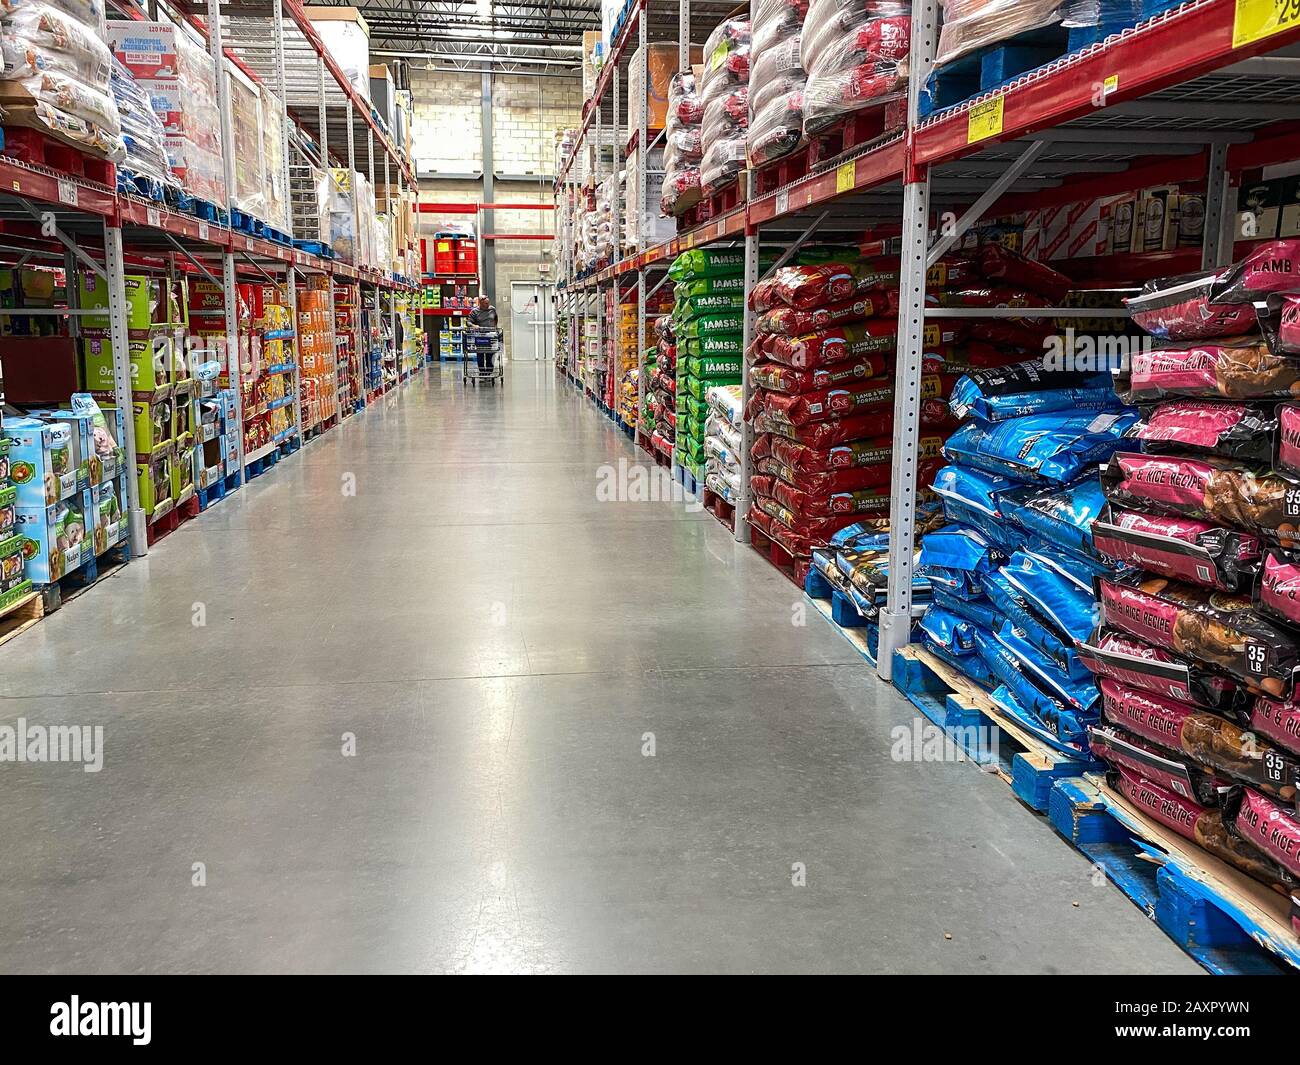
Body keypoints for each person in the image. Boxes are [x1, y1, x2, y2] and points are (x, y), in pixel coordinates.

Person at [468, 295, 499, 373]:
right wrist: (474, 325)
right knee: (480, 355)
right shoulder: (474, 311)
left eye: (488, 303)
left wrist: (495, 326)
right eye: (485, 304)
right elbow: (468, 322)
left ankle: (489, 372)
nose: (487, 305)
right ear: (480, 303)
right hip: (480, 336)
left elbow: (495, 318)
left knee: (490, 354)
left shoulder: (492, 309)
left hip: (491, 336)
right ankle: (482, 372)